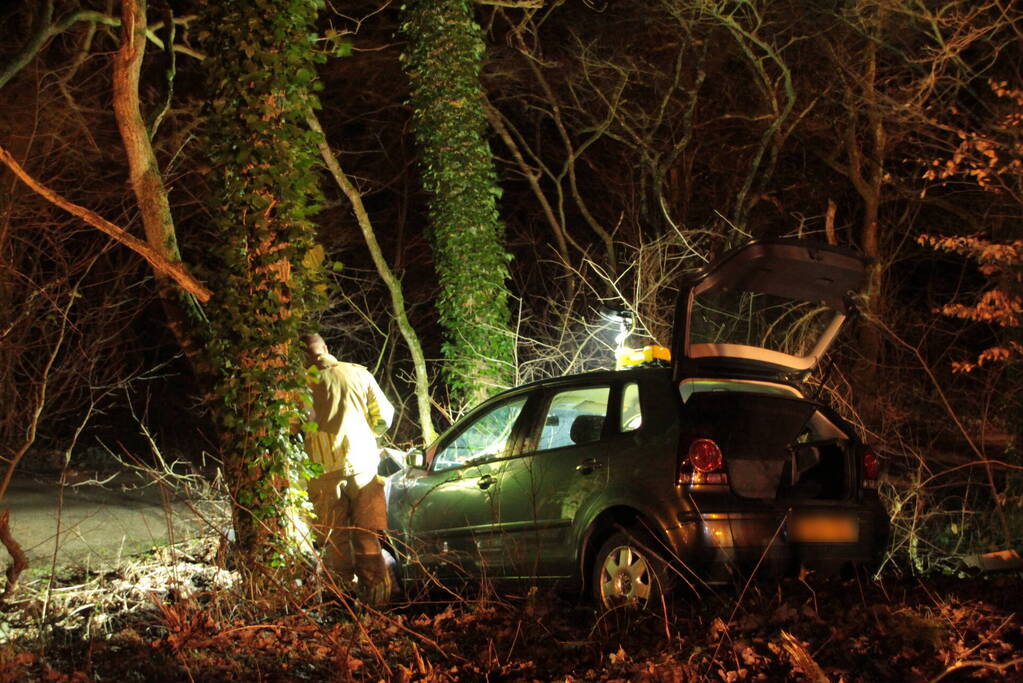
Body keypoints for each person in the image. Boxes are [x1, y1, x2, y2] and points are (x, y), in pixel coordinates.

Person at [301, 332, 394, 605]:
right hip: (363, 465)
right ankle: (378, 604)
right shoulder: (358, 374)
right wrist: (369, 435)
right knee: (367, 537)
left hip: (323, 471)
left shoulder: (300, 386)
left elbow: (293, 426)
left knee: (335, 542)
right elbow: (384, 417)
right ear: (326, 349)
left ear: (303, 357)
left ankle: (341, 607)